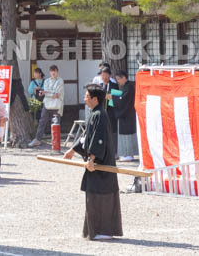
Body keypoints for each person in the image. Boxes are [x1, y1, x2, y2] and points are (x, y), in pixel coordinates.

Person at [63, 84, 123, 240]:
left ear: (95, 99)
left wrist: (92, 158)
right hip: (95, 162)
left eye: (86, 96)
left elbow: (99, 140)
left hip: (102, 163)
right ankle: (94, 229)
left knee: (101, 195)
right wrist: (73, 150)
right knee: (93, 195)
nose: (84, 99)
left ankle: (103, 231)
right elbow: (86, 137)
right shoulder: (94, 114)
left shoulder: (100, 115)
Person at [30, 64, 64, 147]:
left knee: (56, 122)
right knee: (42, 121)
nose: (53, 73)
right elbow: (48, 93)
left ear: (57, 71)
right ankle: (37, 139)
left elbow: (57, 93)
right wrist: (50, 93)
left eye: (54, 71)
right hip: (47, 103)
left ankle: (56, 142)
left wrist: (47, 92)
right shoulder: (47, 81)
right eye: (52, 71)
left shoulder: (60, 80)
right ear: (49, 72)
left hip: (56, 104)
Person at [114, 71, 138, 162]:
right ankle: (127, 154)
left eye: (119, 79)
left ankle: (128, 154)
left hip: (127, 115)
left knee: (127, 135)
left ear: (124, 77)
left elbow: (123, 100)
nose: (118, 81)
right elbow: (122, 98)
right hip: (127, 115)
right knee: (127, 135)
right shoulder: (127, 87)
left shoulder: (128, 87)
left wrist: (113, 97)